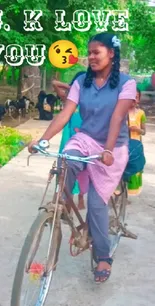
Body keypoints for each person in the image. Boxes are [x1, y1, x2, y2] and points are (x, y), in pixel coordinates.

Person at [28, 32, 136, 283]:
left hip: (112, 147)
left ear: (111, 53)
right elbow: (66, 113)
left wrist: (108, 150)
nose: (91, 57)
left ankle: (103, 256)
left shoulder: (126, 83)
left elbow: (117, 118)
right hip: (85, 139)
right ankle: (58, 207)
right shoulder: (81, 82)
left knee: (97, 206)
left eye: (96, 52)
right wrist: (44, 140)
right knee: (66, 159)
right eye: (89, 53)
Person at [52, 72, 87, 210]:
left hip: (84, 142)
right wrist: (74, 88)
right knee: (64, 169)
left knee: (82, 172)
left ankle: (80, 198)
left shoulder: (89, 103)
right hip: (68, 141)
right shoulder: (69, 101)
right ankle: (66, 203)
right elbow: (55, 84)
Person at [127, 90, 146, 195]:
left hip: (136, 145)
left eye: (136, 97)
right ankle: (118, 193)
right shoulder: (122, 112)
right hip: (124, 143)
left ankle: (129, 193)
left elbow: (144, 132)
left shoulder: (141, 113)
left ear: (139, 99)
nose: (134, 99)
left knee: (133, 167)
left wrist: (138, 130)